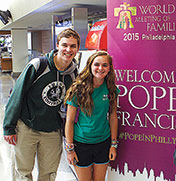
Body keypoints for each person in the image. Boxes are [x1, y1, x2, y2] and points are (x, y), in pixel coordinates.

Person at [3, 28, 80, 180]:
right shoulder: (38, 65)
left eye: (73, 46)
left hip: (52, 130)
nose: (68, 50)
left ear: (77, 48)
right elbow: (17, 95)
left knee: (49, 173)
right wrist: (9, 127)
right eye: (65, 45)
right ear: (57, 45)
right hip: (26, 126)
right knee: (22, 172)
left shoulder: (73, 72)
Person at [64, 50, 119, 181]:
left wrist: (113, 145)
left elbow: (113, 116)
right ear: (90, 66)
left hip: (103, 142)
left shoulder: (111, 89)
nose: (100, 68)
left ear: (109, 68)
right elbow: (70, 121)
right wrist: (70, 149)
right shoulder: (78, 89)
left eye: (105, 65)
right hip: (81, 143)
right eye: (97, 64)